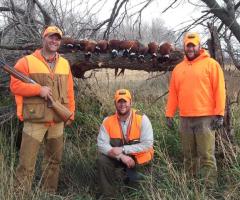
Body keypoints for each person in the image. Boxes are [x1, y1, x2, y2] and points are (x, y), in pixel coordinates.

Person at [10, 25, 75, 193]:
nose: (54, 41)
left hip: (58, 120)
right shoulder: (26, 62)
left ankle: (49, 193)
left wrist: (71, 113)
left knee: (54, 161)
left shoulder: (64, 64)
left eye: (57, 38)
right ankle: (20, 195)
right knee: (26, 164)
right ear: (43, 38)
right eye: (51, 37)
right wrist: (38, 90)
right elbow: (15, 86)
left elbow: (69, 91)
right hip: (35, 120)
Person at [165, 32, 226, 186]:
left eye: (193, 45)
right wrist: (169, 114)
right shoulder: (178, 69)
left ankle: (209, 188)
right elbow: (173, 93)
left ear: (199, 46)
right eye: (188, 46)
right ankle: (191, 187)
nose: (191, 48)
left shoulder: (211, 64)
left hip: (206, 118)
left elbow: (219, 89)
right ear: (184, 47)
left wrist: (219, 113)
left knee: (206, 155)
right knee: (188, 156)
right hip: (185, 118)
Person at [97, 89, 154, 199]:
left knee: (135, 187)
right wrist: (121, 156)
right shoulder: (107, 121)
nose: (122, 105)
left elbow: (148, 144)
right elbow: (101, 144)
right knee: (102, 160)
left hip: (138, 157)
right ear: (115, 104)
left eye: (125, 101)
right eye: (119, 101)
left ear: (131, 103)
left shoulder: (142, 119)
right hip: (118, 157)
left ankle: (135, 193)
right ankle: (109, 195)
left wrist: (123, 149)